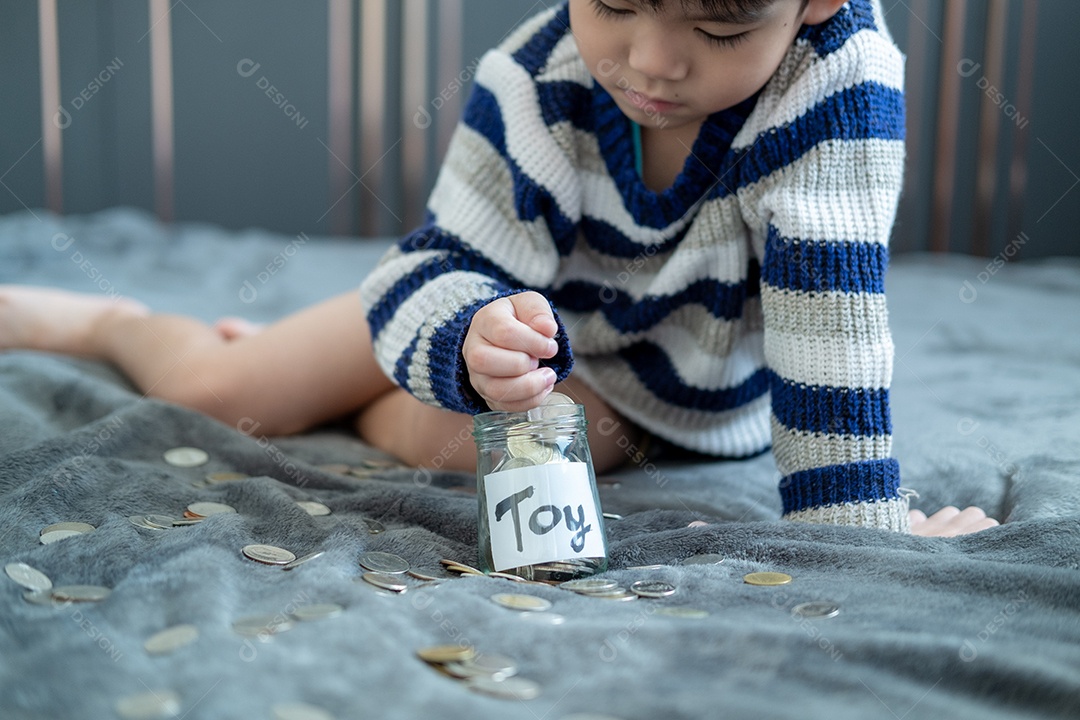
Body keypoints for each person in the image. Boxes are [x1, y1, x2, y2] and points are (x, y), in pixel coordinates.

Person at [0, 0, 997, 537]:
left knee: (480, 446)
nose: (653, 62)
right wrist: (470, 333)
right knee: (218, 391)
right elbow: (445, 261)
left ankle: (341, 373)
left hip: (659, 404)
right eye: (616, 3)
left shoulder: (839, 85)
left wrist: (862, 528)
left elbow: (830, 323)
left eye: (721, 27)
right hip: (493, 324)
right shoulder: (532, 80)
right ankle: (107, 322)